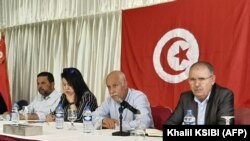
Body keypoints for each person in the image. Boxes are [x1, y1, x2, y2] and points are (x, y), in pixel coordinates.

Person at [166, 61, 234, 125]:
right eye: (192, 79)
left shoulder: (224, 95)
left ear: (212, 80)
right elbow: (170, 123)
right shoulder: (185, 97)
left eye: (201, 79)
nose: (197, 84)